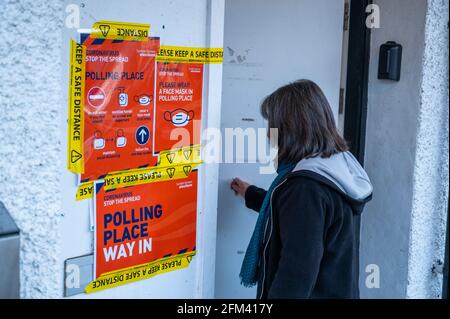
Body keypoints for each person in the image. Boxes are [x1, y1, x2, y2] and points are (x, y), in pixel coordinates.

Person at [230, 79, 373, 299]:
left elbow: (295, 275)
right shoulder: (333, 167)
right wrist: (250, 193)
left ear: (292, 128)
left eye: (272, 125)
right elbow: (294, 217)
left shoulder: (305, 188)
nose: (269, 134)